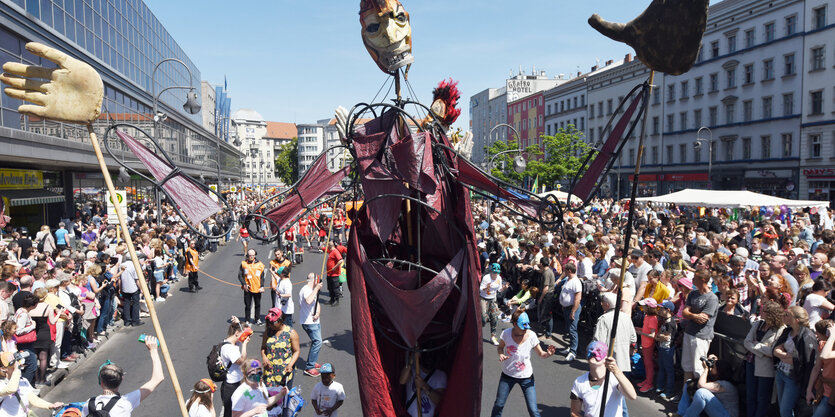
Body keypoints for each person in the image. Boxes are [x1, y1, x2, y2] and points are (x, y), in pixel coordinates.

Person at [490, 308, 557, 417]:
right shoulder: (506, 334)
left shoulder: (532, 336)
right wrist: (501, 354)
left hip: (526, 378)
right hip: (507, 375)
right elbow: (500, 347)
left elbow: (541, 354)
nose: (525, 330)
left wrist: (549, 353)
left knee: (533, 410)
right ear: (515, 324)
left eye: (526, 327)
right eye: (522, 327)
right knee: (498, 405)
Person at [81, 335, 164, 416]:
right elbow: (158, 378)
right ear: (121, 379)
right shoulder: (125, 403)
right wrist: (153, 350)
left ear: (101, 382)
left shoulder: (88, 404)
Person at [569, 341, 637, 417]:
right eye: (590, 349)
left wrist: (616, 371)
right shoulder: (579, 382)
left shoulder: (614, 379)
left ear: (606, 357)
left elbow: (632, 396)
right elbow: (574, 413)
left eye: (598, 350)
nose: (593, 352)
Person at [773, 306, 818, 417]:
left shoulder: (807, 336)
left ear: (796, 320)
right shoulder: (788, 331)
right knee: (782, 408)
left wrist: (783, 355)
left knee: (785, 411)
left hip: (793, 379)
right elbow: (775, 351)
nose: (783, 316)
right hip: (781, 373)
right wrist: (786, 356)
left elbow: (803, 361)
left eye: (787, 315)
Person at [743, 301, 785, 417]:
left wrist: (756, 346)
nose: (760, 311)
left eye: (764, 310)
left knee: (762, 398)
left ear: (771, 314)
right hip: (751, 363)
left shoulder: (781, 329)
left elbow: (773, 351)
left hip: (766, 368)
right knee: (750, 396)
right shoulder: (758, 324)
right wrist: (762, 350)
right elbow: (746, 342)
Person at [261, 307, 300, 417]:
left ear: (280, 321)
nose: (270, 325)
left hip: (284, 373)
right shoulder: (267, 332)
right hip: (269, 373)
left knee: (283, 399)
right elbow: (263, 348)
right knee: (269, 399)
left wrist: (290, 364)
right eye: (269, 323)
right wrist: (264, 357)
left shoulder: (291, 333)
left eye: (272, 323)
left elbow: (296, 351)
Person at [681, 270, 719, 381]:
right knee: (687, 367)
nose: (692, 280)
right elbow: (684, 312)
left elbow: (703, 319)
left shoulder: (712, 298)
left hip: (701, 336)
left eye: (695, 278)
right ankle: (685, 395)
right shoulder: (693, 293)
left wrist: (690, 315)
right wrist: (694, 316)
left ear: (702, 280)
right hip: (689, 332)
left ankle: (697, 394)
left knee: (698, 369)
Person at [0, 351, 64, 416]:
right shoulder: (2, 384)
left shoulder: (23, 381)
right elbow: (12, 389)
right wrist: (16, 370)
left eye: (17, 361)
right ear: (3, 368)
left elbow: (33, 399)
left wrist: (50, 405)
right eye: (12, 363)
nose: (16, 364)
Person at [674, 355, 740, 417]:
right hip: (719, 411)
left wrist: (706, 369)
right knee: (689, 382)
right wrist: (712, 359)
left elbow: (701, 385)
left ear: (720, 371)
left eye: (713, 367)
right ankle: (680, 413)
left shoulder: (725, 385)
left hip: (727, 415)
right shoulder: (718, 380)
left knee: (702, 393)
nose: (711, 368)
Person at [593, 292, 637, 374]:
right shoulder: (626, 317)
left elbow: (599, 341)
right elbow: (633, 338)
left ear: (607, 304)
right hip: (625, 360)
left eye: (602, 302)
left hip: (609, 361)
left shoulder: (603, 319)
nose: (601, 304)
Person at [219, 320, 251, 417]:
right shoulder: (229, 348)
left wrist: (238, 322)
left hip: (237, 381)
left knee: (240, 409)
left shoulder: (234, 343)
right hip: (230, 385)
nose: (246, 337)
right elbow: (241, 361)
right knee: (229, 412)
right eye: (244, 335)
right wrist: (244, 345)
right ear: (237, 333)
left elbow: (248, 330)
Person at [807, 319, 835, 417]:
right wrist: (809, 390)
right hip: (822, 390)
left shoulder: (826, 346)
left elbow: (825, 356)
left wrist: (832, 336)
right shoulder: (823, 344)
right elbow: (816, 368)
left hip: (831, 394)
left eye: (817, 332)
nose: (816, 335)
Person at [299, 273, 323, 377]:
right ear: (314, 280)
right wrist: (316, 289)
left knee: (317, 342)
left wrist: (317, 313)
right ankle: (309, 367)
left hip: (314, 321)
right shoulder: (306, 290)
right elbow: (309, 300)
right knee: (317, 342)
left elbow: (317, 303)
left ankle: (312, 362)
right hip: (308, 322)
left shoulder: (311, 290)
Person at [559, 262, 583, 361]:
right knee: (568, 328)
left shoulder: (576, 282)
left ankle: (573, 352)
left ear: (569, 271)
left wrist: (573, 311)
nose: (564, 272)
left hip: (572, 308)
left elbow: (578, 298)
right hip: (566, 308)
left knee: (572, 330)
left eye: (565, 270)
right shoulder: (568, 280)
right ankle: (570, 347)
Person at [655, 300, 678, 400]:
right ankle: (660, 386)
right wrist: (659, 336)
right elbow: (660, 335)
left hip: (668, 349)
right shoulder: (665, 321)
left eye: (661, 308)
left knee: (669, 370)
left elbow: (666, 337)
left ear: (668, 310)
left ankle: (669, 390)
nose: (659, 310)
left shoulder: (671, 323)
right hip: (662, 347)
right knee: (661, 367)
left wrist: (658, 337)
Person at [480, 263, 507, 346]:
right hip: (484, 298)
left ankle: (493, 336)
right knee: (484, 319)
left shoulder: (499, 278)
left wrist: (504, 288)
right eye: (494, 272)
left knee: (494, 317)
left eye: (497, 272)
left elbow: (499, 290)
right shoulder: (486, 278)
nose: (496, 274)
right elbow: (480, 289)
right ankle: (477, 331)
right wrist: (486, 288)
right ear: (491, 272)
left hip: (493, 299)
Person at [239, 250, 266, 325]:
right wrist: (244, 284)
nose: (251, 256)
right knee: (247, 305)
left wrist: (262, 286)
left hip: (257, 288)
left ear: (255, 255)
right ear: (247, 255)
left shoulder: (260, 264)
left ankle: (257, 319)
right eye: (250, 255)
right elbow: (240, 275)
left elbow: (262, 277)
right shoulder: (243, 264)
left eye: (253, 255)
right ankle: (247, 319)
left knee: (257, 304)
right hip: (247, 288)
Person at [120, 254, 144, 327]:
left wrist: (120, 288)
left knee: (126, 303)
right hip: (133, 287)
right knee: (135, 303)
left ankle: (127, 321)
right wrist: (141, 288)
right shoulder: (134, 266)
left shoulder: (121, 265)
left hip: (125, 287)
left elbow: (120, 278)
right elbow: (137, 280)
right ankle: (135, 320)